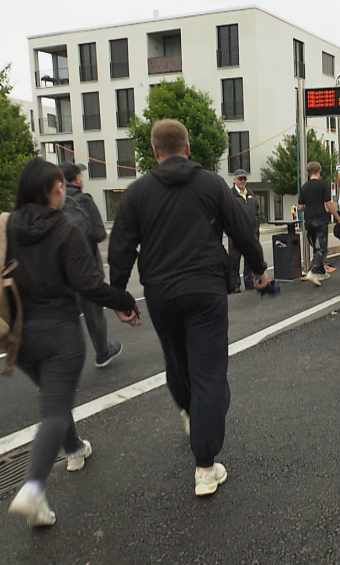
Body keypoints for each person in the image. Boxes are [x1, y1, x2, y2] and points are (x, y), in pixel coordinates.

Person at [0, 157, 140, 527]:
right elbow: (89, 284)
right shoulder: (66, 232)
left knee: (53, 396)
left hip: (17, 335)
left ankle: (74, 449)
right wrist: (124, 303)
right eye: (60, 186)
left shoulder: (1, 226)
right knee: (54, 409)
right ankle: (32, 488)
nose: (64, 190)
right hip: (60, 333)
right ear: (53, 190)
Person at [108, 119, 269, 497]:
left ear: (154, 151)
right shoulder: (212, 184)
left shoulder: (137, 192)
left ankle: (189, 412)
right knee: (210, 373)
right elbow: (242, 229)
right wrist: (259, 269)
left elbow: (121, 247)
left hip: (161, 294)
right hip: (205, 290)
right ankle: (205, 466)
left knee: (178, 363)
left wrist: (119, 298)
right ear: (189, 148)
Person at [60, 162, 123, 367]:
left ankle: (61, 362)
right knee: (93, 312)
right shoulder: (83, 200)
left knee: (66, 316)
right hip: (88, 269)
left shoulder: (53, 202)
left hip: (61, 272)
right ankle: (102, 353)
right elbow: (98, 233)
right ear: (76, 179)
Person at [298, 161, 340, 286]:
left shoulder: (304, 187)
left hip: (308, 220)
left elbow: (301, 206)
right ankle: (313, 271)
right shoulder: (322, 185)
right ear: (319, 171)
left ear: (308, 173)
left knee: (315, 247)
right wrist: (338, 218)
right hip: (320, 219)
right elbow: (329, 203)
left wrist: (309, 208)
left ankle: (321, 272)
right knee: (321, 248)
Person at [227, 169, 261, 293]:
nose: (242, 181)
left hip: (251, 233)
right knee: (234, 260)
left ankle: (249, 281)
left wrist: (256, 224)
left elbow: (255, 210)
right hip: (236, 234)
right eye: (240, 178)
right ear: (234, 180)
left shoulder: (250, 193)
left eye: (244, 179)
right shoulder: (230, 195)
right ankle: (235, 285)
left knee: (250, 258)